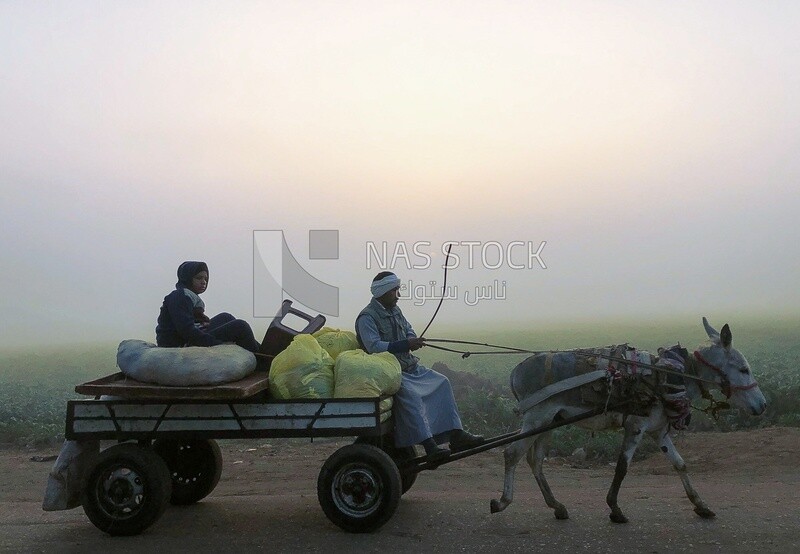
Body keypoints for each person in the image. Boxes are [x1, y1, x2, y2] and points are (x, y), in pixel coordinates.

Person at [355, 271, 484, 460]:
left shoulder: (395, 310)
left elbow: (408, 328)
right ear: (382, 292)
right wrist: (406, 344)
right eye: (394, 291)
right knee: (412, 397)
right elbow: (373, 347)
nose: (398, 295)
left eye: (398, 290)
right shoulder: (366, 317)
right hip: (390, 372)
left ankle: (456, 435)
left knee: (442, 382)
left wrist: (410, 338)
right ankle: (429, 446)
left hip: (409, 367)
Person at [156, 261, 261, 353]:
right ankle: (260, 359)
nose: (203, 282)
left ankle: (262, 350)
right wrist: (215, 343)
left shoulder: (189, 295)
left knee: (225, 317)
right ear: (187, 278)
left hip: (191, 336)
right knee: (240, 326)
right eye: (199, 278)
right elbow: (186, 329)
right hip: (180, 343)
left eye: (206, 279)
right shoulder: (180, 296)